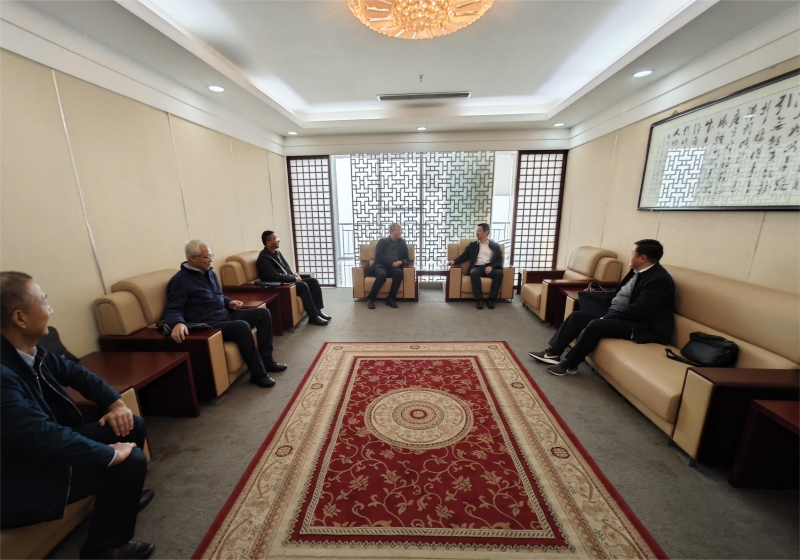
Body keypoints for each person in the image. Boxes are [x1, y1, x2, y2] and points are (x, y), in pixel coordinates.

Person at [0, 272, 155, 559]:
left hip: (38, 454)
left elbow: (74, 372)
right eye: (43, 299)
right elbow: (42, 437)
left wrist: (114, 404)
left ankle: (120, 505)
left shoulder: (28, 352)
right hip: (16, 480)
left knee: (131, 424)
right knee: (129, 461)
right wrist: (110, 455)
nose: (50, 308)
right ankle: (104, 550)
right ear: (19, 318)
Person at [529, 239, 675, 376]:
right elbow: (623, 293)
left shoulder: (659, 280)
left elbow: (641, 310)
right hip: (621, 314)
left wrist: (607, 316)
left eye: (632, 253)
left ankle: (570, 364)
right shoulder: (637, 271)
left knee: (596, 324)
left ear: (642, 258)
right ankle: (552, 353)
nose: (630, 256)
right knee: (577, 316)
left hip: (641, 325)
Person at [162, 240, 286, 389]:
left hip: (225, 314)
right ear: (192, 258)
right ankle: (258, 374)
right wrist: (177, 323)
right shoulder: (180, 281)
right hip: (208, 323)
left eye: (211, 255)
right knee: (241, 326)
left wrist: (229, 302)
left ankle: (267, 361)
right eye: (207, 257)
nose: (211, 260)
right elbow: (173, 308)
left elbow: (219, 295)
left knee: (263, 313)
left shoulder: (210, 273)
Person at [257, 231, 331, 326]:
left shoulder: (277, 253)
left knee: (313, 281)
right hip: (279, 285)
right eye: (276, 239)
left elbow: (286, 268)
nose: (278, 240)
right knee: (302, 285)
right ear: (268, 242)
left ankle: (318, 311)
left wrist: (294, 274)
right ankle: (313, 317)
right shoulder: (264, 258)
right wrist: (293, 279)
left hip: (287, 281)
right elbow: (274, 277)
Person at [447, 223, 504, 309]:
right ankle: (479, 299)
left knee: (499, 273)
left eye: (479, 231)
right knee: (473, 273)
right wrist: (454, 261)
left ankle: (491, 299)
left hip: (489, 267)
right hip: (477, 267)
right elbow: (464, 256)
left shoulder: (495, 245)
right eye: (476, 231)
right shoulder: (472, 245)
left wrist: (491, 266)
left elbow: (499, 259)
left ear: (486, 232)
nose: (476, 233)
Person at [366, 223, 409, 310]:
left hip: (393, 268)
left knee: (399, 273)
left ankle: (391, 299)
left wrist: (401, 262)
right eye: (399, 230)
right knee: (382, 275)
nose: (401, 232)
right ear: (393, 231)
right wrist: (391, 263)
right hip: (380, 266)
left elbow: (406, 257)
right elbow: (378, 256)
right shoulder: (382, 241)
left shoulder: (402, 243)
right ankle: (371, 299)